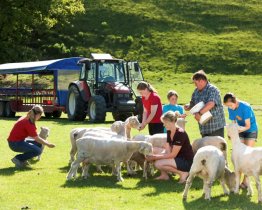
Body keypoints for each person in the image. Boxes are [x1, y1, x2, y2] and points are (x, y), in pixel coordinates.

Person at [145, 111, 194, 183]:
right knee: (153, 150)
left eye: (165, 123)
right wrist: (161, 154)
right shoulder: (169, 131)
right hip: (176, 157)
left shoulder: (180, 133)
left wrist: (155, 157)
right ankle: (164, 175)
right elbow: (168, 148)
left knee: (158, 163)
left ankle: (183, 173)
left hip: (185, 161)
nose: (164, 125)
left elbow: (173, 155)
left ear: (173, 122)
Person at [223, 92, 258, 189]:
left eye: (230, 105)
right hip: (240, 130)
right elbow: (233, 122)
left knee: (247, 155)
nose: (229, 108)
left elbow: (247, 126)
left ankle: (246, 182)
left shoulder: (245, 107)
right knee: (239, 155)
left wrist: (236, 130)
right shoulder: (231, 109)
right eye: (227, 106)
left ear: (235, 102)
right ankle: (237, 181)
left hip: (250, 130)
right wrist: (231, 132)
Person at [184, 70, 225, 137]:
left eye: (196, 83)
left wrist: (199, 113)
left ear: (202, 81)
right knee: (205, 147)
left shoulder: (212, 89)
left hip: (215, 127)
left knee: (216, 147)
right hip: (204, 128)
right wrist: (188, 106)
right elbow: (193, 103)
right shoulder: (196, 91)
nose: (195, 85)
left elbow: (211, 103)